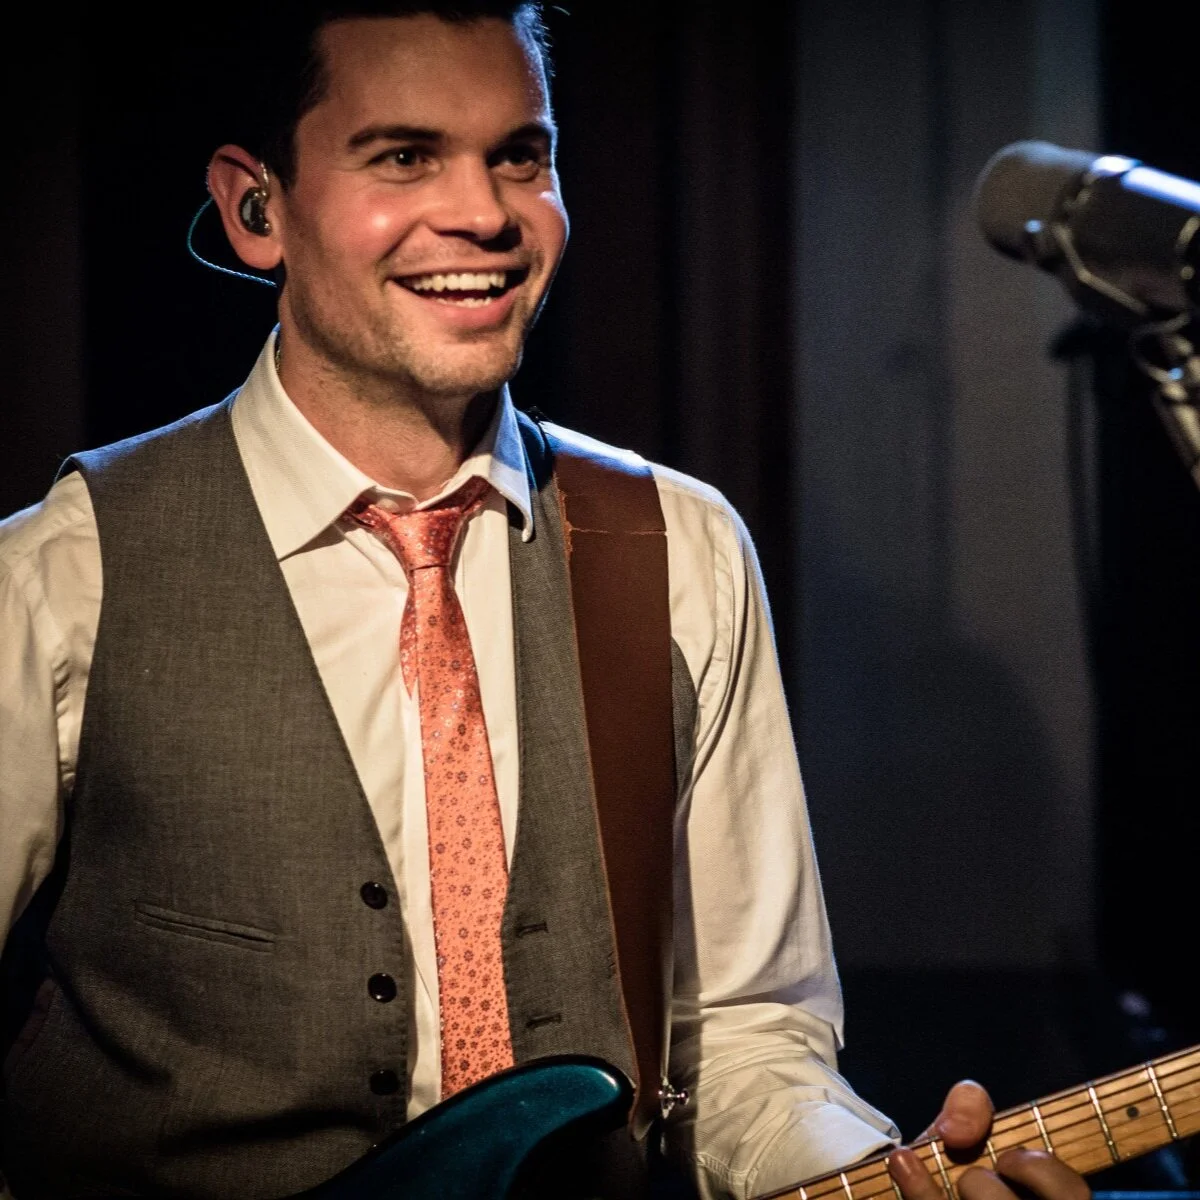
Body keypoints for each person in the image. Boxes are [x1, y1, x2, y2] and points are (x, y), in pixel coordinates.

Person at [0, 4, 1094, 1200]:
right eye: (404, 155)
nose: (483, 212)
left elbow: (745, 1043)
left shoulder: (679, 548)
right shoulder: (69, 569)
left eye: (520, 155)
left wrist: (873, 1174)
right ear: (256, 208)